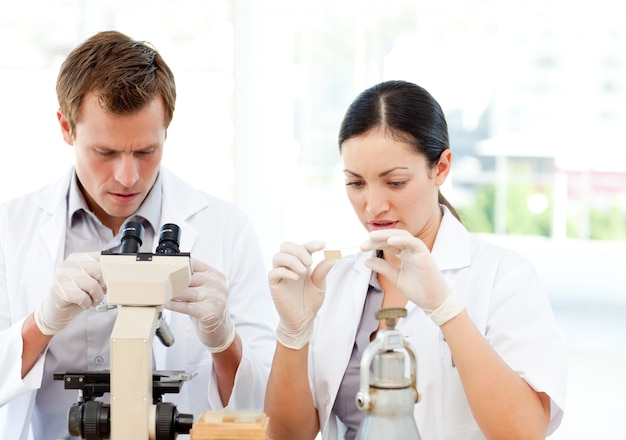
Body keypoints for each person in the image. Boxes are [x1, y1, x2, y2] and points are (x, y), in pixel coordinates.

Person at [0, 30, 276, 440]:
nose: (127, 178)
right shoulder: (11, 229)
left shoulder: (228, 231)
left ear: (166, 128)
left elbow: (264, 407)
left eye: (146, 152)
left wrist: (223, 339)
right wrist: (41, 323)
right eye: (105, 152)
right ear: (65, 127)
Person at [264, 80, 567, 439]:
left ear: (440, 168)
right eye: (356, 183)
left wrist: (447, 310)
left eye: (394, 182)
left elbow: (524, 432)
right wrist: (293, 333)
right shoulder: (336, 282)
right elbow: (286, 435)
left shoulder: (503, 276)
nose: (373, 206)